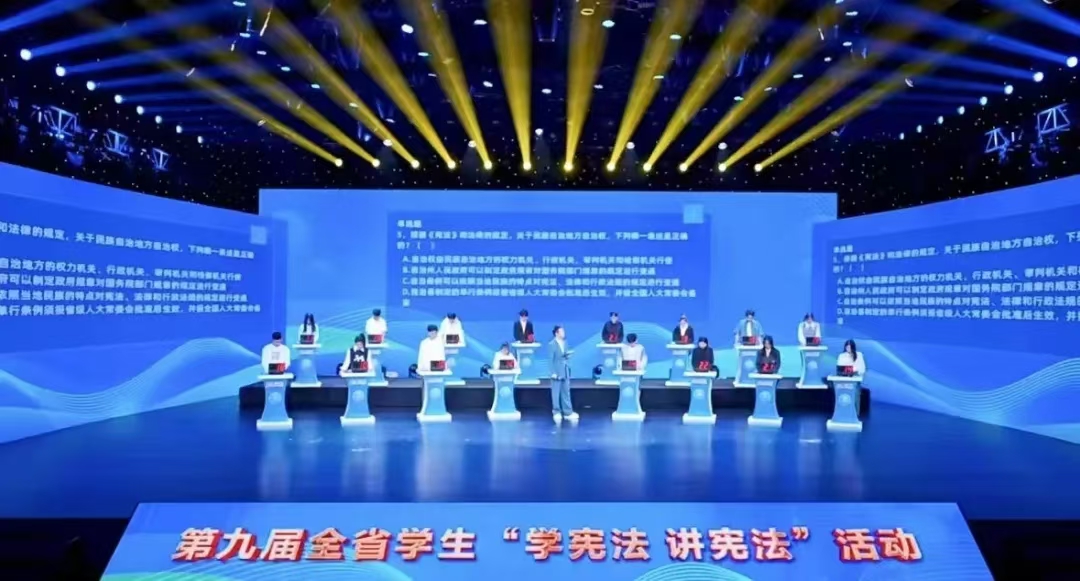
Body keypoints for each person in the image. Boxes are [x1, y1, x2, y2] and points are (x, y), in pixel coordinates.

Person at [548, 325, 578, 422]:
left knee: (566, 392)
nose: (563, 333)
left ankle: (567, 412)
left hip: (565, 370)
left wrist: (567, 355)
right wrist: (552, 372)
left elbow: (564, 356)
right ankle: (556, 412)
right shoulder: (551, 344)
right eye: (561, 331)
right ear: (556, 333)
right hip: (556, 371)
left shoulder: (565, 342)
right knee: (556, 392)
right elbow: (550, 360)